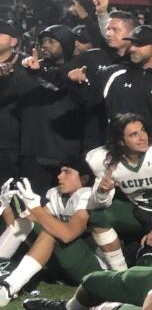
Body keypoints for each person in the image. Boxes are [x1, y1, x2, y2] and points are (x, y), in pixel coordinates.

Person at [85, 113, 152, 271]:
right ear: (121, 141)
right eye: (134, 134)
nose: (142, 137)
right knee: (98, 216)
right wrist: (102, 192)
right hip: (139, 212)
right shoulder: (107, 161)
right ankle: (120, 273)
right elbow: (98, 203)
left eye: (143, 131)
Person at [0, 161, 100, 306]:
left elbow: (68, 235)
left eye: (67, 172)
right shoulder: (56, 195)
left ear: (84, 179)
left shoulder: (87, 195)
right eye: (60, 171)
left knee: (50, 232)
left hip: (91, 267)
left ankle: (8, 289)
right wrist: (5, 207)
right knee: (25, 223)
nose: (59, 176)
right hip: (63, 266)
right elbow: (27, 223)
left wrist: (34, 206)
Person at [68, 25, 152, 139]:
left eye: (139, 44)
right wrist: (79, 84)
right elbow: (87, 103)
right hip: (118, 152)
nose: (132, 48)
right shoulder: (112, 74)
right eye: (132, 43)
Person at [17, 24, 94, 194]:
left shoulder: (78, 70)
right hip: (33, 154)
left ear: (66, 44)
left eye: (51, 41)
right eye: (43, 41)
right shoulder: (32, 69)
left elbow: (60, 85)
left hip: (65, 157)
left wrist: (36, 73)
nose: (44, 45)